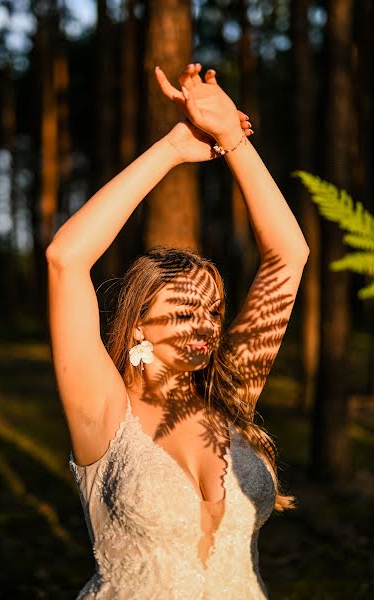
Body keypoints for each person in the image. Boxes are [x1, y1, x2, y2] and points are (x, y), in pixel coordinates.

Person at [46, 63, 309, 599]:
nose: (206, 324)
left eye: (213, 311)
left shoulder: (229, 395)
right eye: (185, 309)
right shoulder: (102, 411)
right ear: (139, 319)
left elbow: (289, 257)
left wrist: (234, 138)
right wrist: (171, 148)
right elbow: (65, 258)